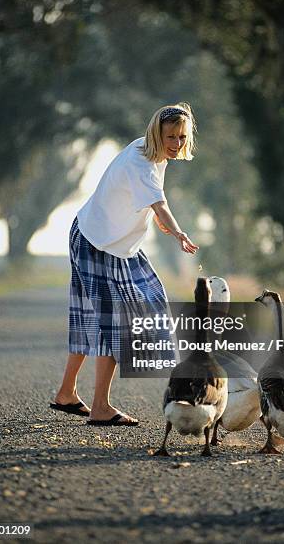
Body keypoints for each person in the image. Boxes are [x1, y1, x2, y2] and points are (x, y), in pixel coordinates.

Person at [50, 103, 199, 426]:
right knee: (115, 322)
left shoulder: (150, 152)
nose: (176, 143)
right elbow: (158, 202)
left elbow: (151, 199)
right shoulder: (141, 161)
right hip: (97, 243)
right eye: (170, 136)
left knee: (101, 315)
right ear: (157, 133)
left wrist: (156, 217)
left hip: (109, 241)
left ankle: (66, 393)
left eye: (181, 136)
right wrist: (177, 231)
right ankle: (100, 407)